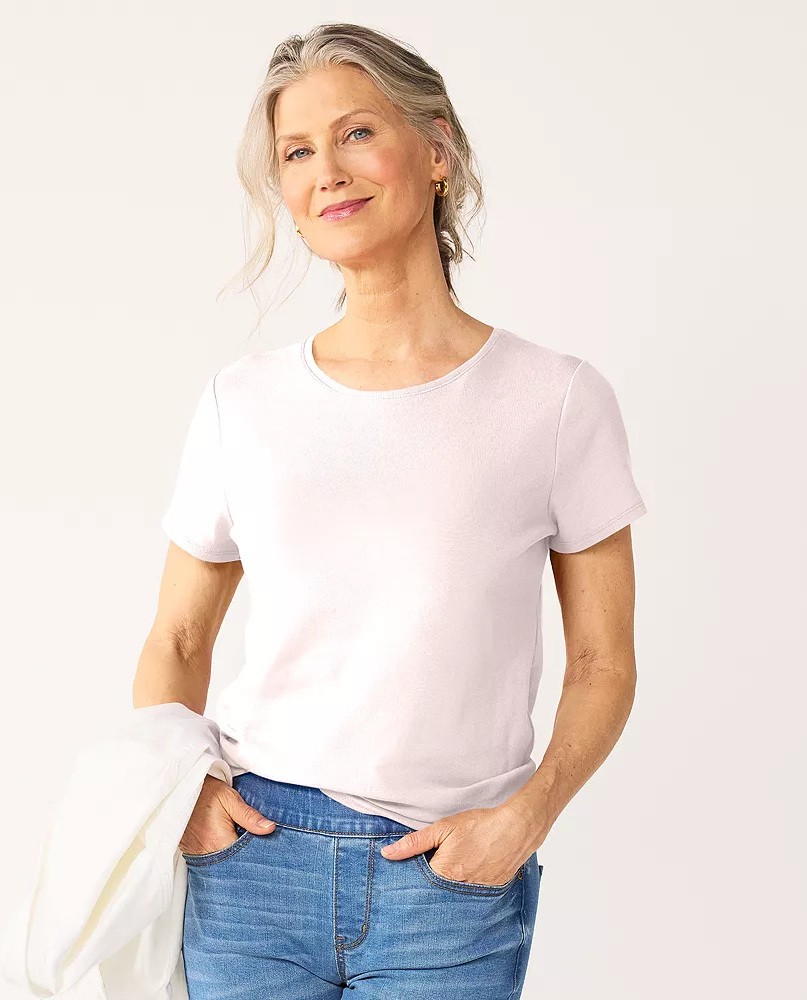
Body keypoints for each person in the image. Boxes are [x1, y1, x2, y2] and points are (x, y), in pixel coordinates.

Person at [133, 22, 647, 1000]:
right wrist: (180, 793)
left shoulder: (557, 400)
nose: (327, 171)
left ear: (437, 150)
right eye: (296, 153)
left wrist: (529, 814)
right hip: (252, 865)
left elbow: (603, 663)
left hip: (449, 877)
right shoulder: (243, 402)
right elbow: (177, 638)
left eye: (357, 133)